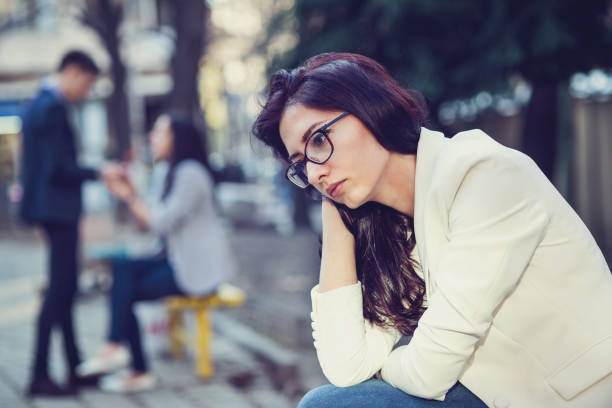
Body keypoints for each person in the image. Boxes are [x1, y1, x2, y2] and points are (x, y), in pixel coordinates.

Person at [251, 53, 612, 408]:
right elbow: (345, 368)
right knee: (329, 402)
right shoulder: (390, 223)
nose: (313, 174)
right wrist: (335, 216)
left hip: (571, 397)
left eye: (317, 140)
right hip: (492, 393)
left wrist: (384, 371)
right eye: (300, 166)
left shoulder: (483, 174)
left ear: (369, 109)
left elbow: (430, 372)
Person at [76, 112, 235, 393]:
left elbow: (158, 221)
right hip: (174, 261)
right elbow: (151, 221)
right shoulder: (167, 171)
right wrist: (128, 191)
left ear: (178, 138)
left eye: (160, 132)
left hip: (196, 270)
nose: (152, 137)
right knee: (122, 273)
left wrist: (127, 195)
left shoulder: (191, 174)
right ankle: (122, 354)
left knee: (124, 287)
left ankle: (129, 361)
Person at [19, 50, 120, 396]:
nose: (87, 92)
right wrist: (100, 171)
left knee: (65, 289)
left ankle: (74, 367)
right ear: (74, 73)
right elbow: (60, 168)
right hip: (57, 211)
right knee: (59, 292)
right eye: (88, 84)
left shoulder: (41, 103)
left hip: (52, 210)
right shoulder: (51, 108)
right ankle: (38, 376)